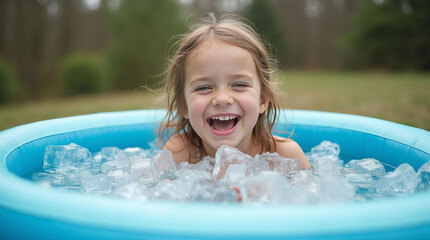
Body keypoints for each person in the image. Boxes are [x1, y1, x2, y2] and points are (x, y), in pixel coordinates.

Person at [159, 13, 310, 170]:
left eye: (239, 84)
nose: (222, 98)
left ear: (262, 100)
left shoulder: (285, 156)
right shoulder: (179, 155)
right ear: (184, 106)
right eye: (204, 87)